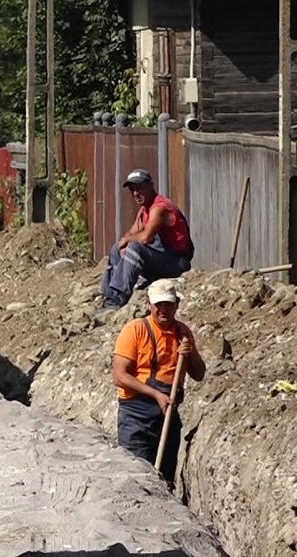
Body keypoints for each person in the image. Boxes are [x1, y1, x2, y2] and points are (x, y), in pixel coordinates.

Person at [111, 278, 207, 486]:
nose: (163, 309)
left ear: (177, 304)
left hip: (167, 415)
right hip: (136, 415)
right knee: (137, 480)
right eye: (158, 304)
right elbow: (120, 376)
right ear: (149, 304)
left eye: (168, 304)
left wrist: (190, 354)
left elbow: (199, 374)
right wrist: (156, 395)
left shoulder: (183, 334)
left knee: (165, 482)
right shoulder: (135, 330)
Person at [99, 169, 195, 310]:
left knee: (134, 248)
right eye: (132, 190)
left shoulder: (159, 208)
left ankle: (117, 298)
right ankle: (108, 294)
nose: (136, 193)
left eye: (139, 188)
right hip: (161, 260)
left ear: (151, 186)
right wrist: (124, 243)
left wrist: (128, 240)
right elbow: (130, 234)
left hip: (177, 263)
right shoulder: (145, 210)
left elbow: (145, 238)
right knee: (116, 248)